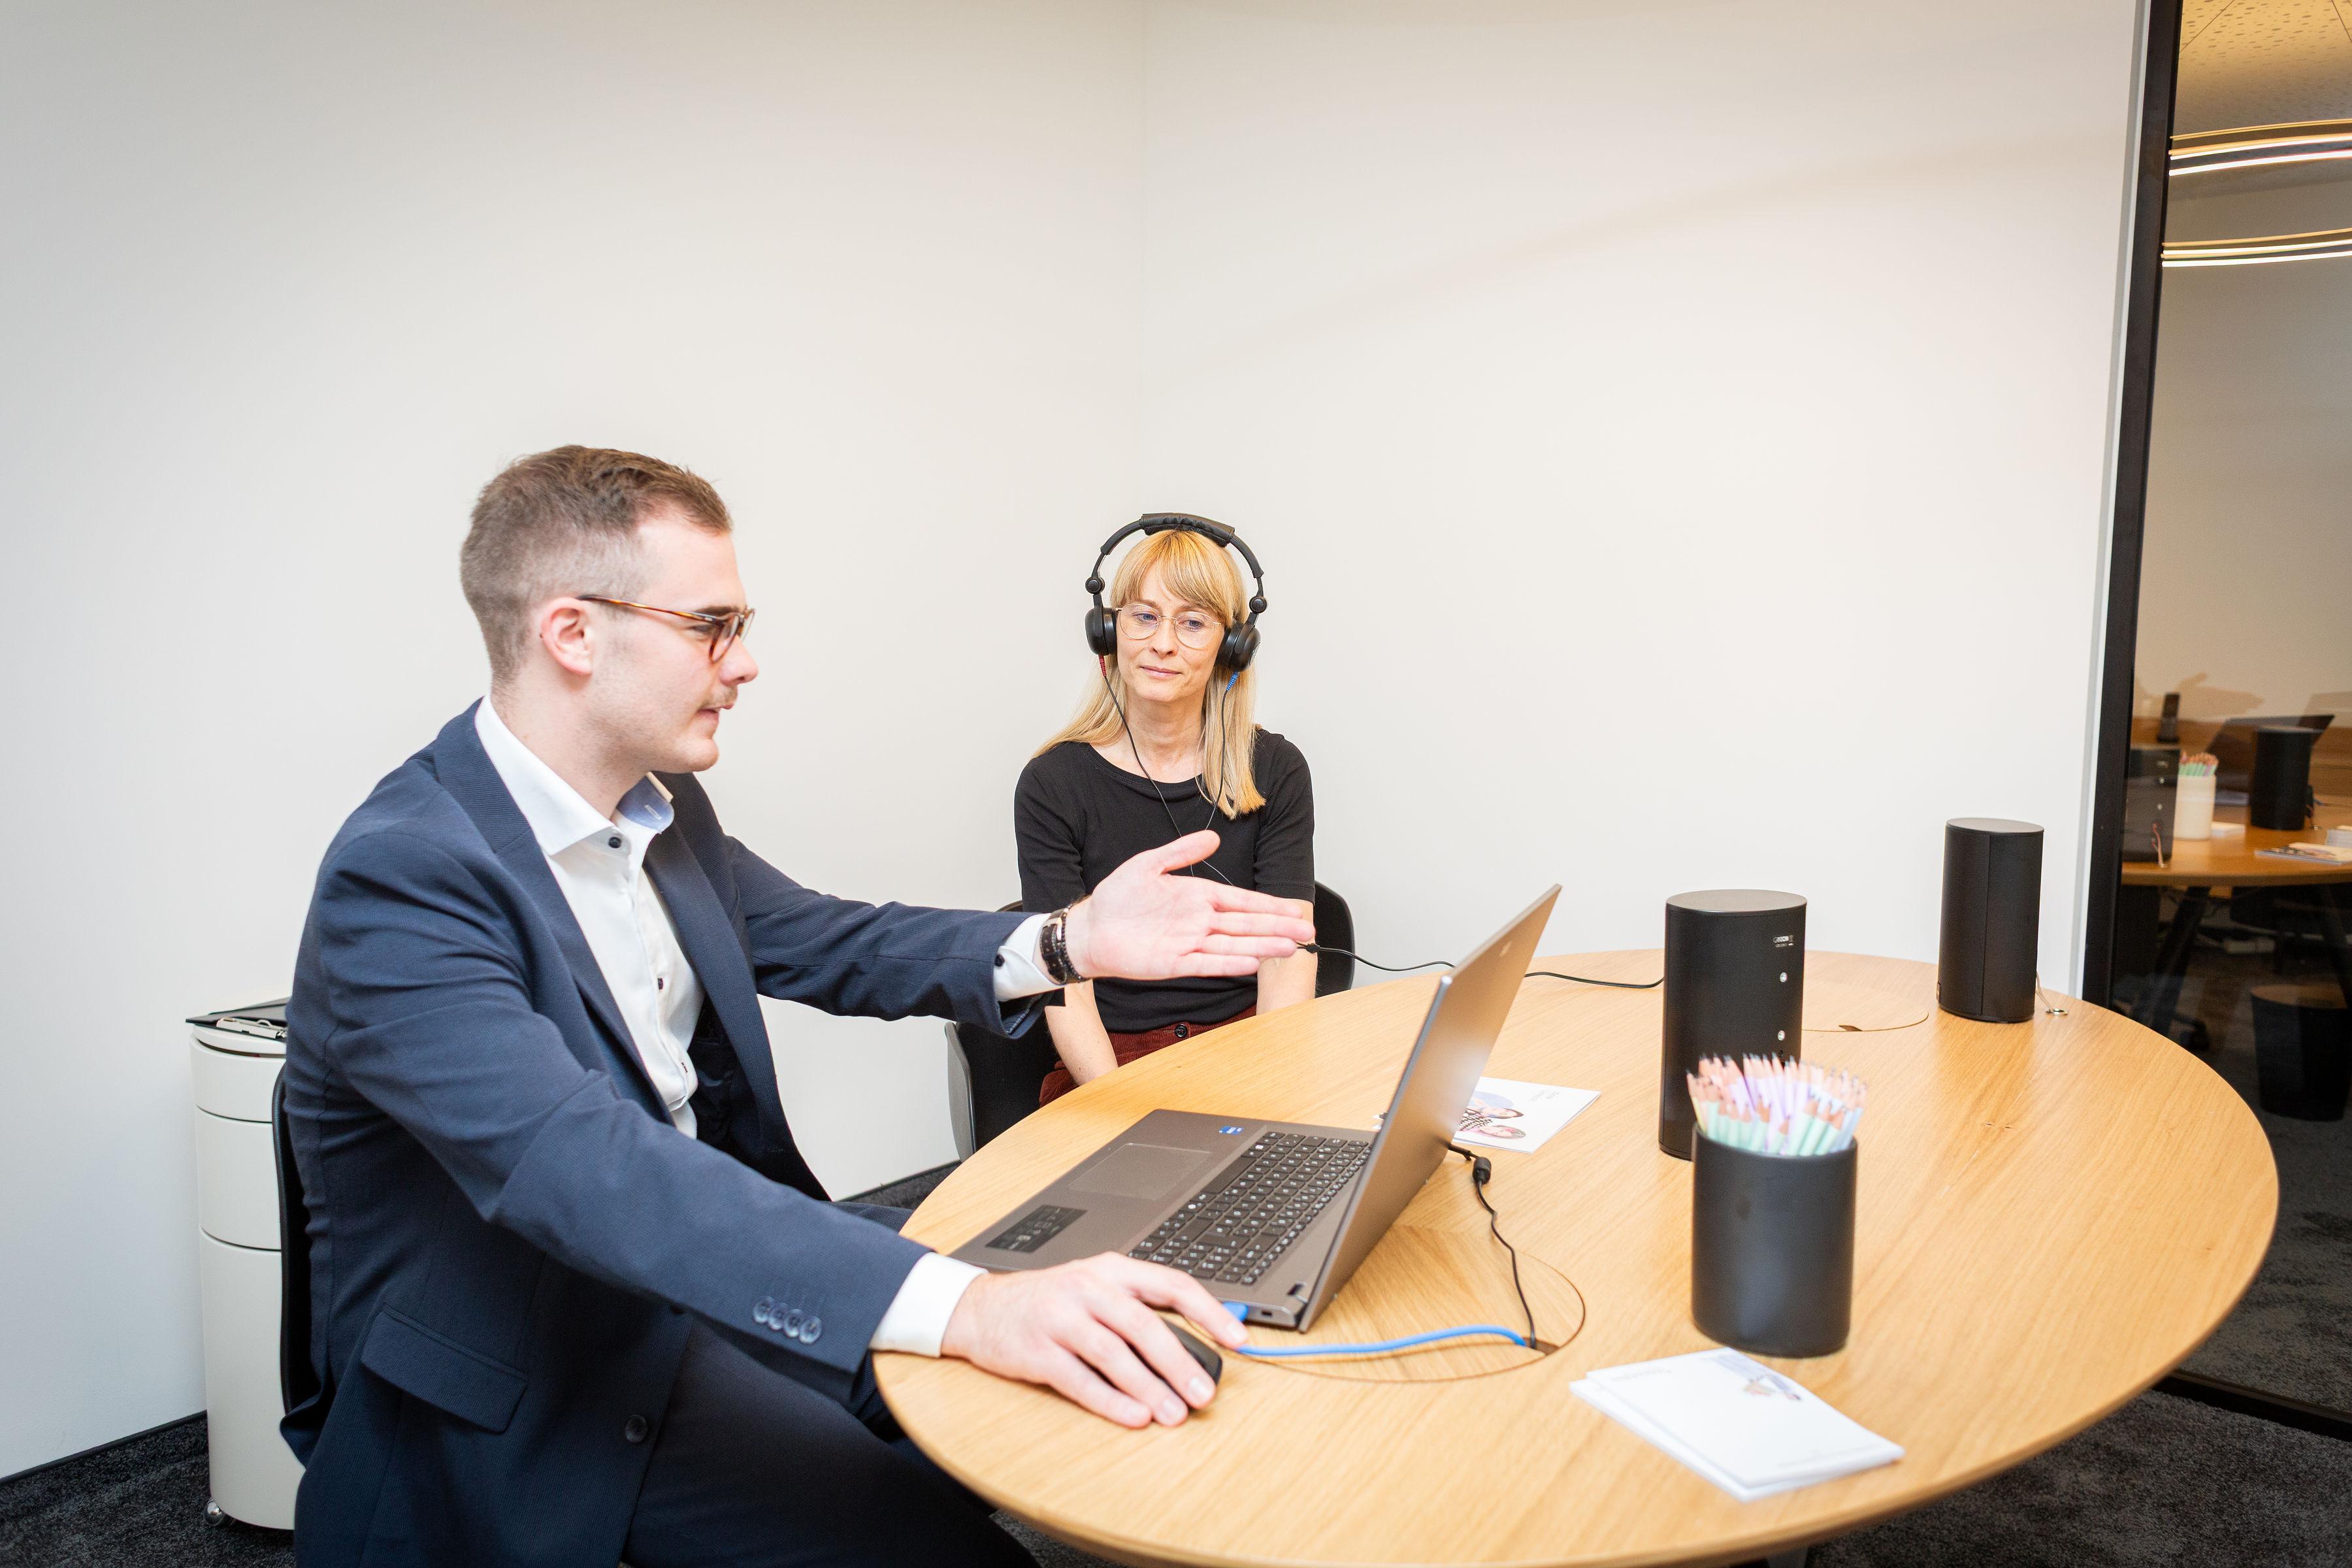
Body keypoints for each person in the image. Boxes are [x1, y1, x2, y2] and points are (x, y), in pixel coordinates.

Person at [280, 448, 1313, 1568]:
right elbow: (590, 1171)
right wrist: (964, 1309)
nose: (747, 662)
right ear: (574, 634)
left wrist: (1069, 941)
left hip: (701, 1280)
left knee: (1077, 1399)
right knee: (951, 1538)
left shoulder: (661, 812)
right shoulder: (403, 878)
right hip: (553, 1365)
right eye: (711, 627)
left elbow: (833, 938)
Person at [1017, 521, 1316, 1103]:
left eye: (1193, 623)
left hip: (1248, 1044)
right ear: (1110, 631)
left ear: (1231, 648)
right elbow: (1065, 984)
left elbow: (1286, 958)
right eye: (1144, 616)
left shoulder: (1276, 770)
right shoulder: (1051, 785)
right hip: (1112, 1060)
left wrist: (1269, 1084)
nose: (1162, 643)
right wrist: (1124, 1110)